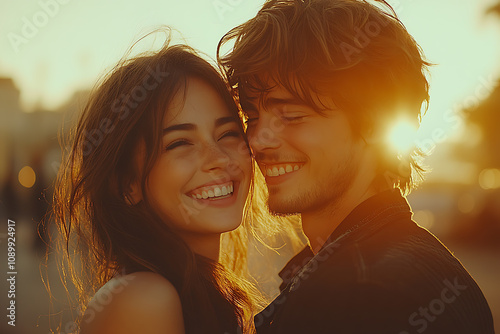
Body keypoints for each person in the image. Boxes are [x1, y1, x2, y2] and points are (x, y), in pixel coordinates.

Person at [218, 0, 495, 333]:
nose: (259, 140)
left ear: (377, 124)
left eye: (292, 115)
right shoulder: (422, 267)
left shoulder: (361, 295)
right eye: (253, 116)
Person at [52, 34, 260, 334]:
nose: (218, 159)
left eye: (228, 133)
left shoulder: (198, 290)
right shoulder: (145, 299)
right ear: (127, 184)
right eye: (180, 143)